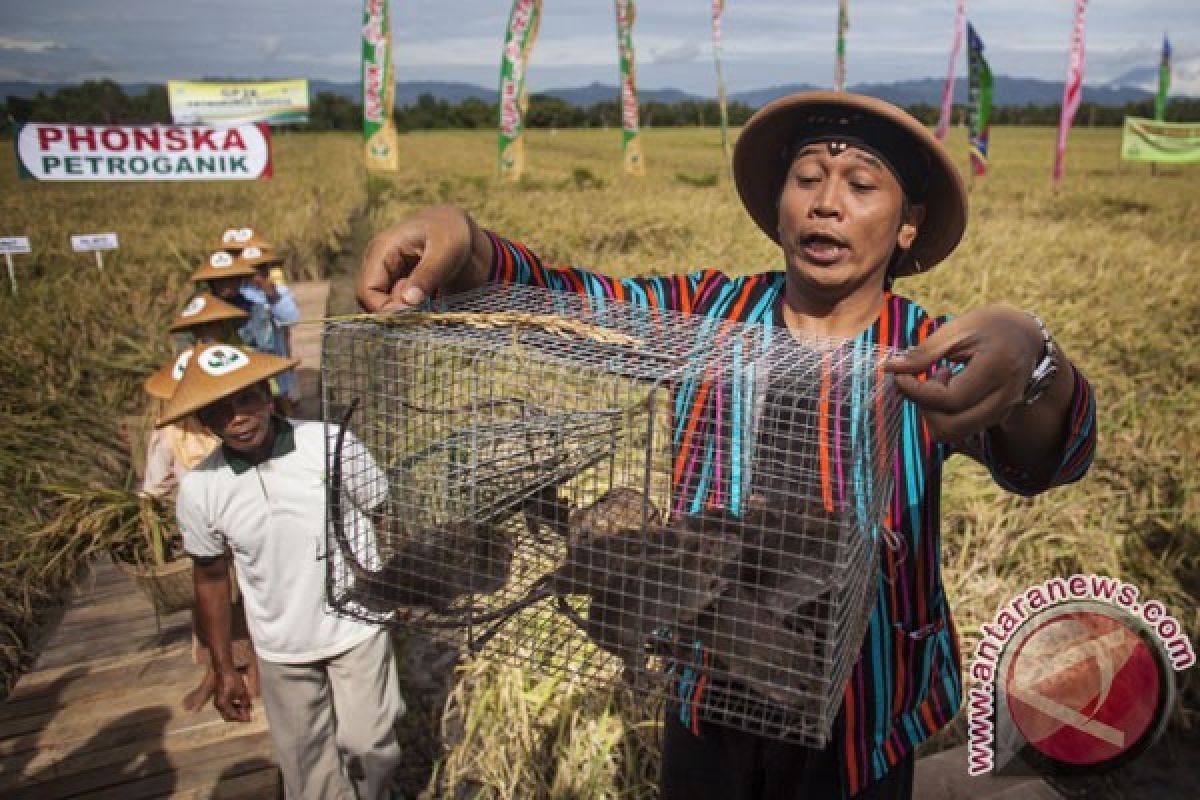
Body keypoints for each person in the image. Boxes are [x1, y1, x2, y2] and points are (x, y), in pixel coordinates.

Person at [354, 91, 1096, 798]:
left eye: (860, 185)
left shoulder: (925, 351)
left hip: (864, 714)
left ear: (908, 225)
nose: (825, 201)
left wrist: (1035, 358)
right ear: (779, 207)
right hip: (711, 696)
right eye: (807, 178)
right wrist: (468, 244)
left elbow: (1046, 459)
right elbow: (567, 304)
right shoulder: (708, 317)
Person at [163, 342, 404, 800]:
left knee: (369, 745)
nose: (238, 418)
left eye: (247, 400)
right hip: (280, 643)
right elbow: (211, 579)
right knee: (307, 767)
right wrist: (224, 668)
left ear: (269, 397)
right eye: (219, 410)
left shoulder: (330, 444)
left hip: (357, 621)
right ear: (204, 422)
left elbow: (382, 512)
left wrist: (400, 588)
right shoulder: (201, 489)